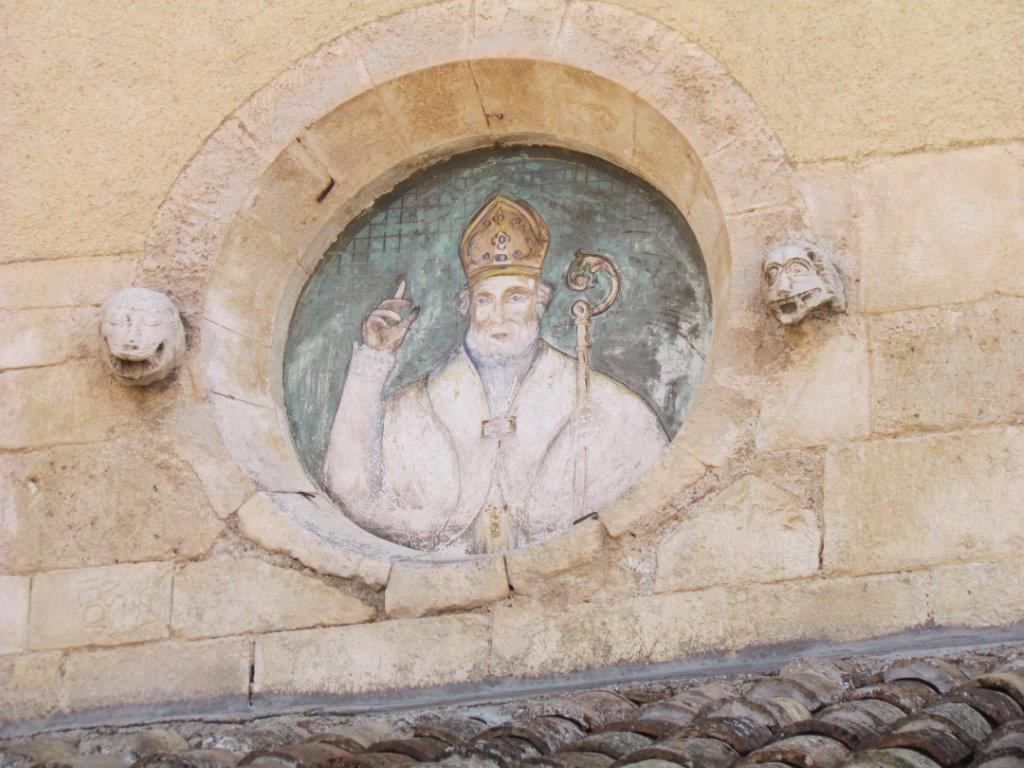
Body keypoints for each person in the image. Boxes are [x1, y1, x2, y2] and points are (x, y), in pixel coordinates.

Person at [324, 195, 667, 553]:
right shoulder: (415, 407)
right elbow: (350, 492)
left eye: (516, 297)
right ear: (468, 307)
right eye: (485, 299)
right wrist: (371, 363)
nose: (499, 316)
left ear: (540, 305)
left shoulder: (604, 404)